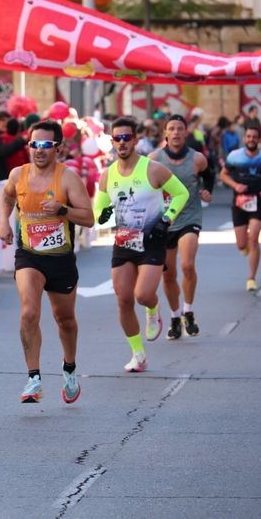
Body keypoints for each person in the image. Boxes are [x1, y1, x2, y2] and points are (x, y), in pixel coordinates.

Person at [0, 120, 94, 404]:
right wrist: (4, 221)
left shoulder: (68, 178)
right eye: (34, 144)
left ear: (58, 148)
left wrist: (62, 209)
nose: (39, 150)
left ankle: (69, 367)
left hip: (60, 259)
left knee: (65, 320)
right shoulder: (18, 174)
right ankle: (34, 378)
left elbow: (88, 218)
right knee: (29, 312)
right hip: (29, 255)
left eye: (45, 145)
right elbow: (7, 196)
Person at [94, 116, 189, 372]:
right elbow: (99, 209)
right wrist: (103, 215)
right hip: (124, 241)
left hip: (152, 239)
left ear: (135, 140)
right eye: (117, 138)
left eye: (127, 137)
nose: (122, 142)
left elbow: (181, 193)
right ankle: (138, 355)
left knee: (143, 295)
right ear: (112, 142)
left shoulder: (153, 169)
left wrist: (167, 219)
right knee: (123, 300)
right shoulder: (107, 175)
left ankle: (153, 308)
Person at [149, 115, 212, 340]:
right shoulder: (154, 159)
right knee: (168, 275)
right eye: (172, 129)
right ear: (165, 133)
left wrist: (207, 190)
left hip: (189, 217)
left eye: (180, 129)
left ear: (186, 133)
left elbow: (209, 175)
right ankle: (175, 317)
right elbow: (146, 186)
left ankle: (188, 311)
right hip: (164, 222)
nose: (176, 132)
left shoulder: (197, 159)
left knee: (187, 265)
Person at [220, 126, 261, 291]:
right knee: (241, 244)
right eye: (248, 136)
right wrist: (235, 185)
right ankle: (244, 247)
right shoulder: (234, 156)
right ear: (244, 138)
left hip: (257, 202)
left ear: (259, 139)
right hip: (239, 203)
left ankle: (251, 278)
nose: (251, 139)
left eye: (254, 137)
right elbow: (223, 174)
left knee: (253, 238)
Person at [0, 110, 28, 182]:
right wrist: (21, 141)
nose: (6, 123)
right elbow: (2, 151)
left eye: (8, 120)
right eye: (3, 120)